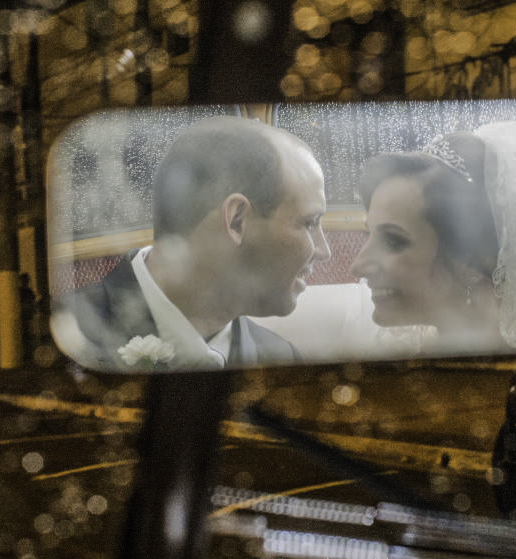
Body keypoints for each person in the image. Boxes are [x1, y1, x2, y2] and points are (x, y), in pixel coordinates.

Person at [52, 115, 331, 372]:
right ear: (237, 220)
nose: (324, 251)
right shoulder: (63, 337)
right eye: (310, 222)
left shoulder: (281, 356)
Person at [349, 121, 516, 354]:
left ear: (473, 259)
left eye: (393, 241)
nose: (357, 267)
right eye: (368, 234)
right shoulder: (398, 351)